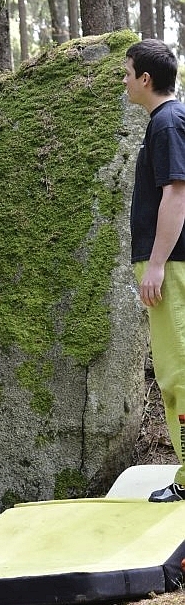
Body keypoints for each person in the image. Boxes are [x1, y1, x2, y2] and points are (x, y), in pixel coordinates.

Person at [124, 38, 185, 501]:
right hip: (172, 261)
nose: (124, 81)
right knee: (173, 371)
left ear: (146, 78)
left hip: (173, 263)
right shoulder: (167, 121)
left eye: (127, 73)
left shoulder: (167, 123)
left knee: (178, 372)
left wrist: (158, 265)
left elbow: (176, 195)